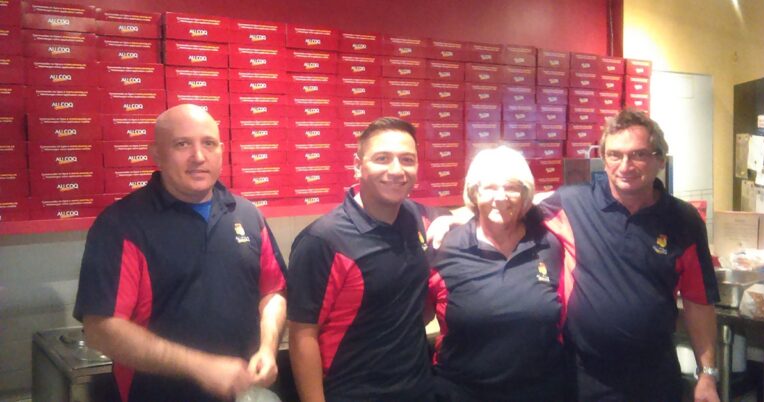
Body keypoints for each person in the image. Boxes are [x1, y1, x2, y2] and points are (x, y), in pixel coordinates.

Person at [429, 109, 720, 402]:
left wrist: (707, 374)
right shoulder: (572, 203)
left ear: (660, 159)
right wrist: (453, 217)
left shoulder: (684, 220)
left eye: (638, 155)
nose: (625, 165)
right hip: (584, 377)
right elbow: (508, 205)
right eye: (615, 155)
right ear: (603, 159)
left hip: (654, 376)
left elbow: (698, 301)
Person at [73, 104, 288, 402]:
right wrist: (200, 367)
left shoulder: (247, 215)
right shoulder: (121, 225)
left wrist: (267, 347)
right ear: (156, 154)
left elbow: (273, 291)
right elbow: (101, 329)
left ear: (221, 150)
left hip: (242, 393)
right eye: (182, 144)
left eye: (209, 143)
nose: (198, 156)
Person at [286, 117, 442, 402]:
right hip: (352, 393)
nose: (396, 170)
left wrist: (450, 221)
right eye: (382, 158)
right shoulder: (322, 241)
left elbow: (479, 213)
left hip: (418, 389)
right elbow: (302, 335)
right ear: (358, 166)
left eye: (407, 159)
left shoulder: (419, 219)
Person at [425, 146, 565, 402]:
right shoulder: (445, 247)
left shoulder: (549, 244)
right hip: (461, 393)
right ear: (474, 193)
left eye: (511, 187)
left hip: (541, 392)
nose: (500, 197)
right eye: (489, 187)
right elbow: (419, 315)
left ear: (525, 195)